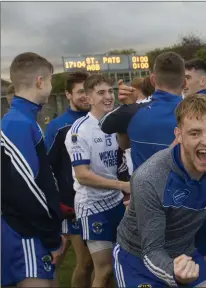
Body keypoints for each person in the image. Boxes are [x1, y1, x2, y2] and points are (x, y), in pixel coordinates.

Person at [101, 52, 206, 267]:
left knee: (155, 260)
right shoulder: (194, 115)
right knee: (202, 257)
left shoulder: (135, 112)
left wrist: (127, 105)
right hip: (190, 203)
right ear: (183, 82)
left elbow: (105, 124)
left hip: (148, 205)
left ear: (153, 80)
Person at [113, 94, 206, 288]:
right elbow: (152, 250)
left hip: (184, 252)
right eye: (195, 133)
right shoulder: (150, 178)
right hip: (137, 257)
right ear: (179, 135)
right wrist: (175, 273)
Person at [1, 52, 66, 287]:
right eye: (49, 80)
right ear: (40, 81)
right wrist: (51, 236)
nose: (49, 87)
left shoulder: (24, 119)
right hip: (25, 234)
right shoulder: (18, 123)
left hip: (31, 232)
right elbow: (27, 189)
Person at [64, 74, 129, 288]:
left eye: (110, 91)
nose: (108, 96)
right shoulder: (78, 130)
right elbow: (82, 175)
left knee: (122, 265)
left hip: (118, 202)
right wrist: (122, 186)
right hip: (93, 206)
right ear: (89, 98)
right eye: (101, 93)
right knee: (105, 269)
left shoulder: (118, 123)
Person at [44, 71, 93, 287]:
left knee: (99, 263)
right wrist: (58, 201)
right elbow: (46, 167)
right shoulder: (59, 126)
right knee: (86, 263)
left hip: (99, 203)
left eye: (88, 90)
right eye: (80, 91)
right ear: (68, 95)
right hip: (71, 205)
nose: (86, 96)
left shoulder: (100, 120)